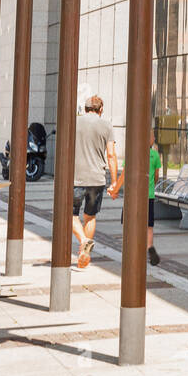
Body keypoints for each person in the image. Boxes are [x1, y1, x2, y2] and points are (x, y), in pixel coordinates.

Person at [72, 95, 117, 270]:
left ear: (85, 109)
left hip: (76, 177)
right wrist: (113, 182)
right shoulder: (106, 125)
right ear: (101, 110)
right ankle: (86, 252)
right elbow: (111, 155)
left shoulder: (74, 122)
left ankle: (83, 241)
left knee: (71, 216)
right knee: (90, 217)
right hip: (97, 179)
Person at [109, 133, 162, 265]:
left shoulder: (132, 153)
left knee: (130, 223)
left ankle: (132, 249)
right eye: (153, 136)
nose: (154, 138)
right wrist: (151, 185)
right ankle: (149, 247)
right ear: (148, 139)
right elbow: (156, 176)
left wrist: (115, 189)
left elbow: (124, 175)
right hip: (148, 195)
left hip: (132, 196)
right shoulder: (155, 155)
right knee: (149, 225)